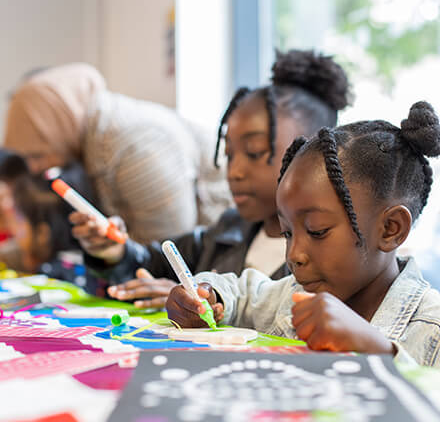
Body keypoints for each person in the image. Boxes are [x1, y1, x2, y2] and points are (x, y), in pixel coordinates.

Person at [166, 101, 440, 367]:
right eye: (287, 233)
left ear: (391, 229)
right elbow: (241, 292)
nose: (294, 255)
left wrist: (377, 349)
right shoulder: (292, 296)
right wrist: (207, 297)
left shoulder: (432, 327)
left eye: (317, 231)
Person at [70, 49, 351, 307]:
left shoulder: (332, 257)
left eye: (254, 153)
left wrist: (205, 302)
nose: (235, 172)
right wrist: (113, 251)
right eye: (229, 154)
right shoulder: (225, 233)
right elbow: (151, 267)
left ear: (312, 155)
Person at [3, 63, 231, 244]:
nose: (34, 168)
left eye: (37, 155)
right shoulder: (95, 142)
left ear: (59, 126)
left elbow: (168, 247)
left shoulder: (132, 145)